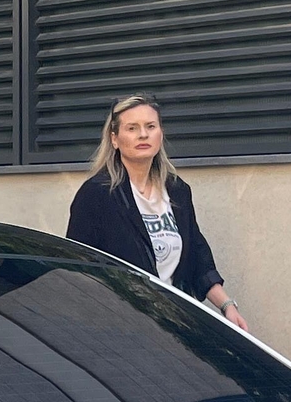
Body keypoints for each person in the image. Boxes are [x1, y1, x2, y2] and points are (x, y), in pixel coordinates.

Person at [64, 94, 248, 331]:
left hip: (175, 326)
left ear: (160, 134)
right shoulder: (97, 195)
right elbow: (77, 269)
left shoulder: (177, 190)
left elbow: (198, 259)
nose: (143, 134)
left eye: (150, 126)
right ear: (115, 139)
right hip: (119, 327)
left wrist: (227, 306)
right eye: (132, 128)